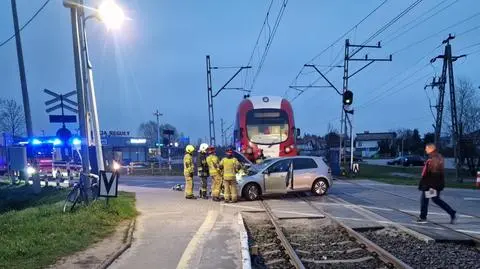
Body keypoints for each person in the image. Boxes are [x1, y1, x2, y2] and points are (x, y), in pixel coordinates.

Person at [417, 143, 457, 224]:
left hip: (431, 184)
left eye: (427, 149)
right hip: (433, 184)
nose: (426, 150)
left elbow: (434, 174)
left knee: (425, 200)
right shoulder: (435, 158)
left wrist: (429, 185)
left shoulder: (435, 159)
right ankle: (452, 212)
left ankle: (423, 217)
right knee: (435, 199)